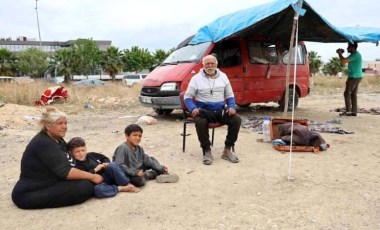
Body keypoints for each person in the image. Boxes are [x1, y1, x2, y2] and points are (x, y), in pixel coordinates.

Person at [11, 107, 103, 209]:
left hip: (52, 181)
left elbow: (71, 159)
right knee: (85, 187)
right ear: (48, 126)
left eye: (65, 123)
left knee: (91, 175)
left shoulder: (57, 139)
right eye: (60, 123)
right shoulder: (43, 143)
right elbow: (67, 172)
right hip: (30, 193)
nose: (64, 127)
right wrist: (92, 176)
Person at [184, 54, 241, 165]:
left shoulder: (223, 76)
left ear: (216, 64)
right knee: (200, 122)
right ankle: (207, 151)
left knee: (236, 119)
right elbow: (187, 97)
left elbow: (229, 95)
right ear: (203, 65)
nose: (210, 66)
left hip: (220, 110)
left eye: (212, 63)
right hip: (203, 111)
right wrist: (193, 108)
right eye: (207, 64)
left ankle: (227, 150)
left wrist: (231, 106)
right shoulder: (196, 79)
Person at [67, 137, 140, 198]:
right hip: (100, 183)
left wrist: (104, 164)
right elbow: (84, 176)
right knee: (97, 191)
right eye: (77, 152)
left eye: (83, 150)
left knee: (112, 165)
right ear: (71, 153)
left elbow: (104, 158)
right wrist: (95, 169)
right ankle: (122, 188)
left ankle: (126, 184)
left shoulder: (91, 155)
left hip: (110, 175)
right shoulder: (75, 165)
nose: (81, 153)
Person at [112, 124, 178, 187]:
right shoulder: (123, 148)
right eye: (134, 135)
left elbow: (146, 159)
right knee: (140, 180)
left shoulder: (139, 148)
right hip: (127, 172)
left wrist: (161, 167)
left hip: (137, 168)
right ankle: (151, 174)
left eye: (140, 136)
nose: (137, 138)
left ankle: (158, 172)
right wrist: (135, 172)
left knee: (152, 159)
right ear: (127, 136)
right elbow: (119, 165)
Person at [336, 41, 363, 116]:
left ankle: (348, 112)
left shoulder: (355, 55)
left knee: (347, 93)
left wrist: (339, 53)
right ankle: (353, 112)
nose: (347, 48)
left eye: (349, 47)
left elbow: (343, 61)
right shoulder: (355, 55)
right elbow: (345, 60)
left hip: (354, 77)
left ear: (353, 48)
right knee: (353, 94)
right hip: (357, 76)